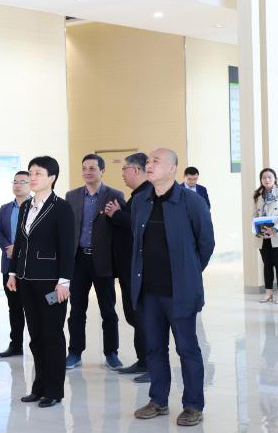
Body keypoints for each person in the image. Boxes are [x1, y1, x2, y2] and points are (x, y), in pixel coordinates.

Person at [131, 148, 214, 427]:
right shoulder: (140, 200)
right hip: (148, 292)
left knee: (187, 349)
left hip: (179, 292)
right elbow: (136, 244)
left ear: (172, 168)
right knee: (154, 348)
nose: (149, 164)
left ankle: (193, 405)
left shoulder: (192, 202)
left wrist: (189, 272)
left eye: (156, 161)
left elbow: (206, 243)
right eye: (148, 161)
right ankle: (158, 400)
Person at [6, 156, 75, 408]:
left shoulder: (61, 207)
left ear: (52, 178)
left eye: (38, 173)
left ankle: (54, 390)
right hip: (26, 280)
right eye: (31, 173)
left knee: (52, 335)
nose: (32, 178)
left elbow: (67, 247)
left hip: (51, 283)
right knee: (35, 336)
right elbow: (19, 241)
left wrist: (64, 281)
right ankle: (39, 387)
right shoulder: (26, 206)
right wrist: (12, 273)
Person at [65, 153, 126, 370]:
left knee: (108, 310)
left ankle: (111, 353)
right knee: (76, 310)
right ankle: (74, 352)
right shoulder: (71, 196)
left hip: (103, 260)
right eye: (84, 168)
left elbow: (122, 228)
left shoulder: (115, 195)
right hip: (78, 260)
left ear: (102, 171)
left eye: (92, 168)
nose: (87, 172)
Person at [104, 153, 152, 383]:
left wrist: (116, 214)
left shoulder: (147, 195)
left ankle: (152, 365)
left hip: (138, 269)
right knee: (134, 317)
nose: (122, 174)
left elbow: (139, 226)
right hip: (127, 268)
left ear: (135, 170)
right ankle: (142, 360)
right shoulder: (137, 196)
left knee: (143, 318)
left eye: (124, 169)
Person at [0, 171, 31, 358]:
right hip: (9, 264)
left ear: (31, 184)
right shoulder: (5, 208)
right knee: (14, 307)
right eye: (15, 182)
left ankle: (37, 345)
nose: (18, 185)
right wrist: (7, 247)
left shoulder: (36, 207)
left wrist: (20, 249)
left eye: (22, 182)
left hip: (30, 265)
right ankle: (16, 345)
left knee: (32, 308)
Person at [253, 168, 278, 304]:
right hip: (263, 235)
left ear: (275, 178)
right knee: (267, 264)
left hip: (277, 234)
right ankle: (268, 293)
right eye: (264, 177)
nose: (266, 180)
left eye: (269, 177)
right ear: (261, 180)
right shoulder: (258, 195)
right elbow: (254, 215)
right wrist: (257, 230)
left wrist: (274, 229)